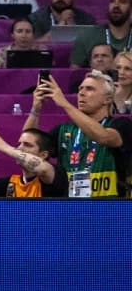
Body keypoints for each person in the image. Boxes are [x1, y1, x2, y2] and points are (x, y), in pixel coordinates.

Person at [34, 70, 124, 198]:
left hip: (111, 207)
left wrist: (64, 103)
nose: (81, 93)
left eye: (89, 89)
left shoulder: (120, 124)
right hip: (71, 206)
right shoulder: (64, 130)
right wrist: (36, 109)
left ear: (107, 99)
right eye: (80, 89)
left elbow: (104, 137)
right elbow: (29, 149)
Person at [0, 123, 56, 197]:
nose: (19, 148)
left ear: (43, 155)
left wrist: (4, 147)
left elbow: (43, 169)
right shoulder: (9, 183)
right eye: (19, 144)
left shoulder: (55, 176)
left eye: (27, 145)